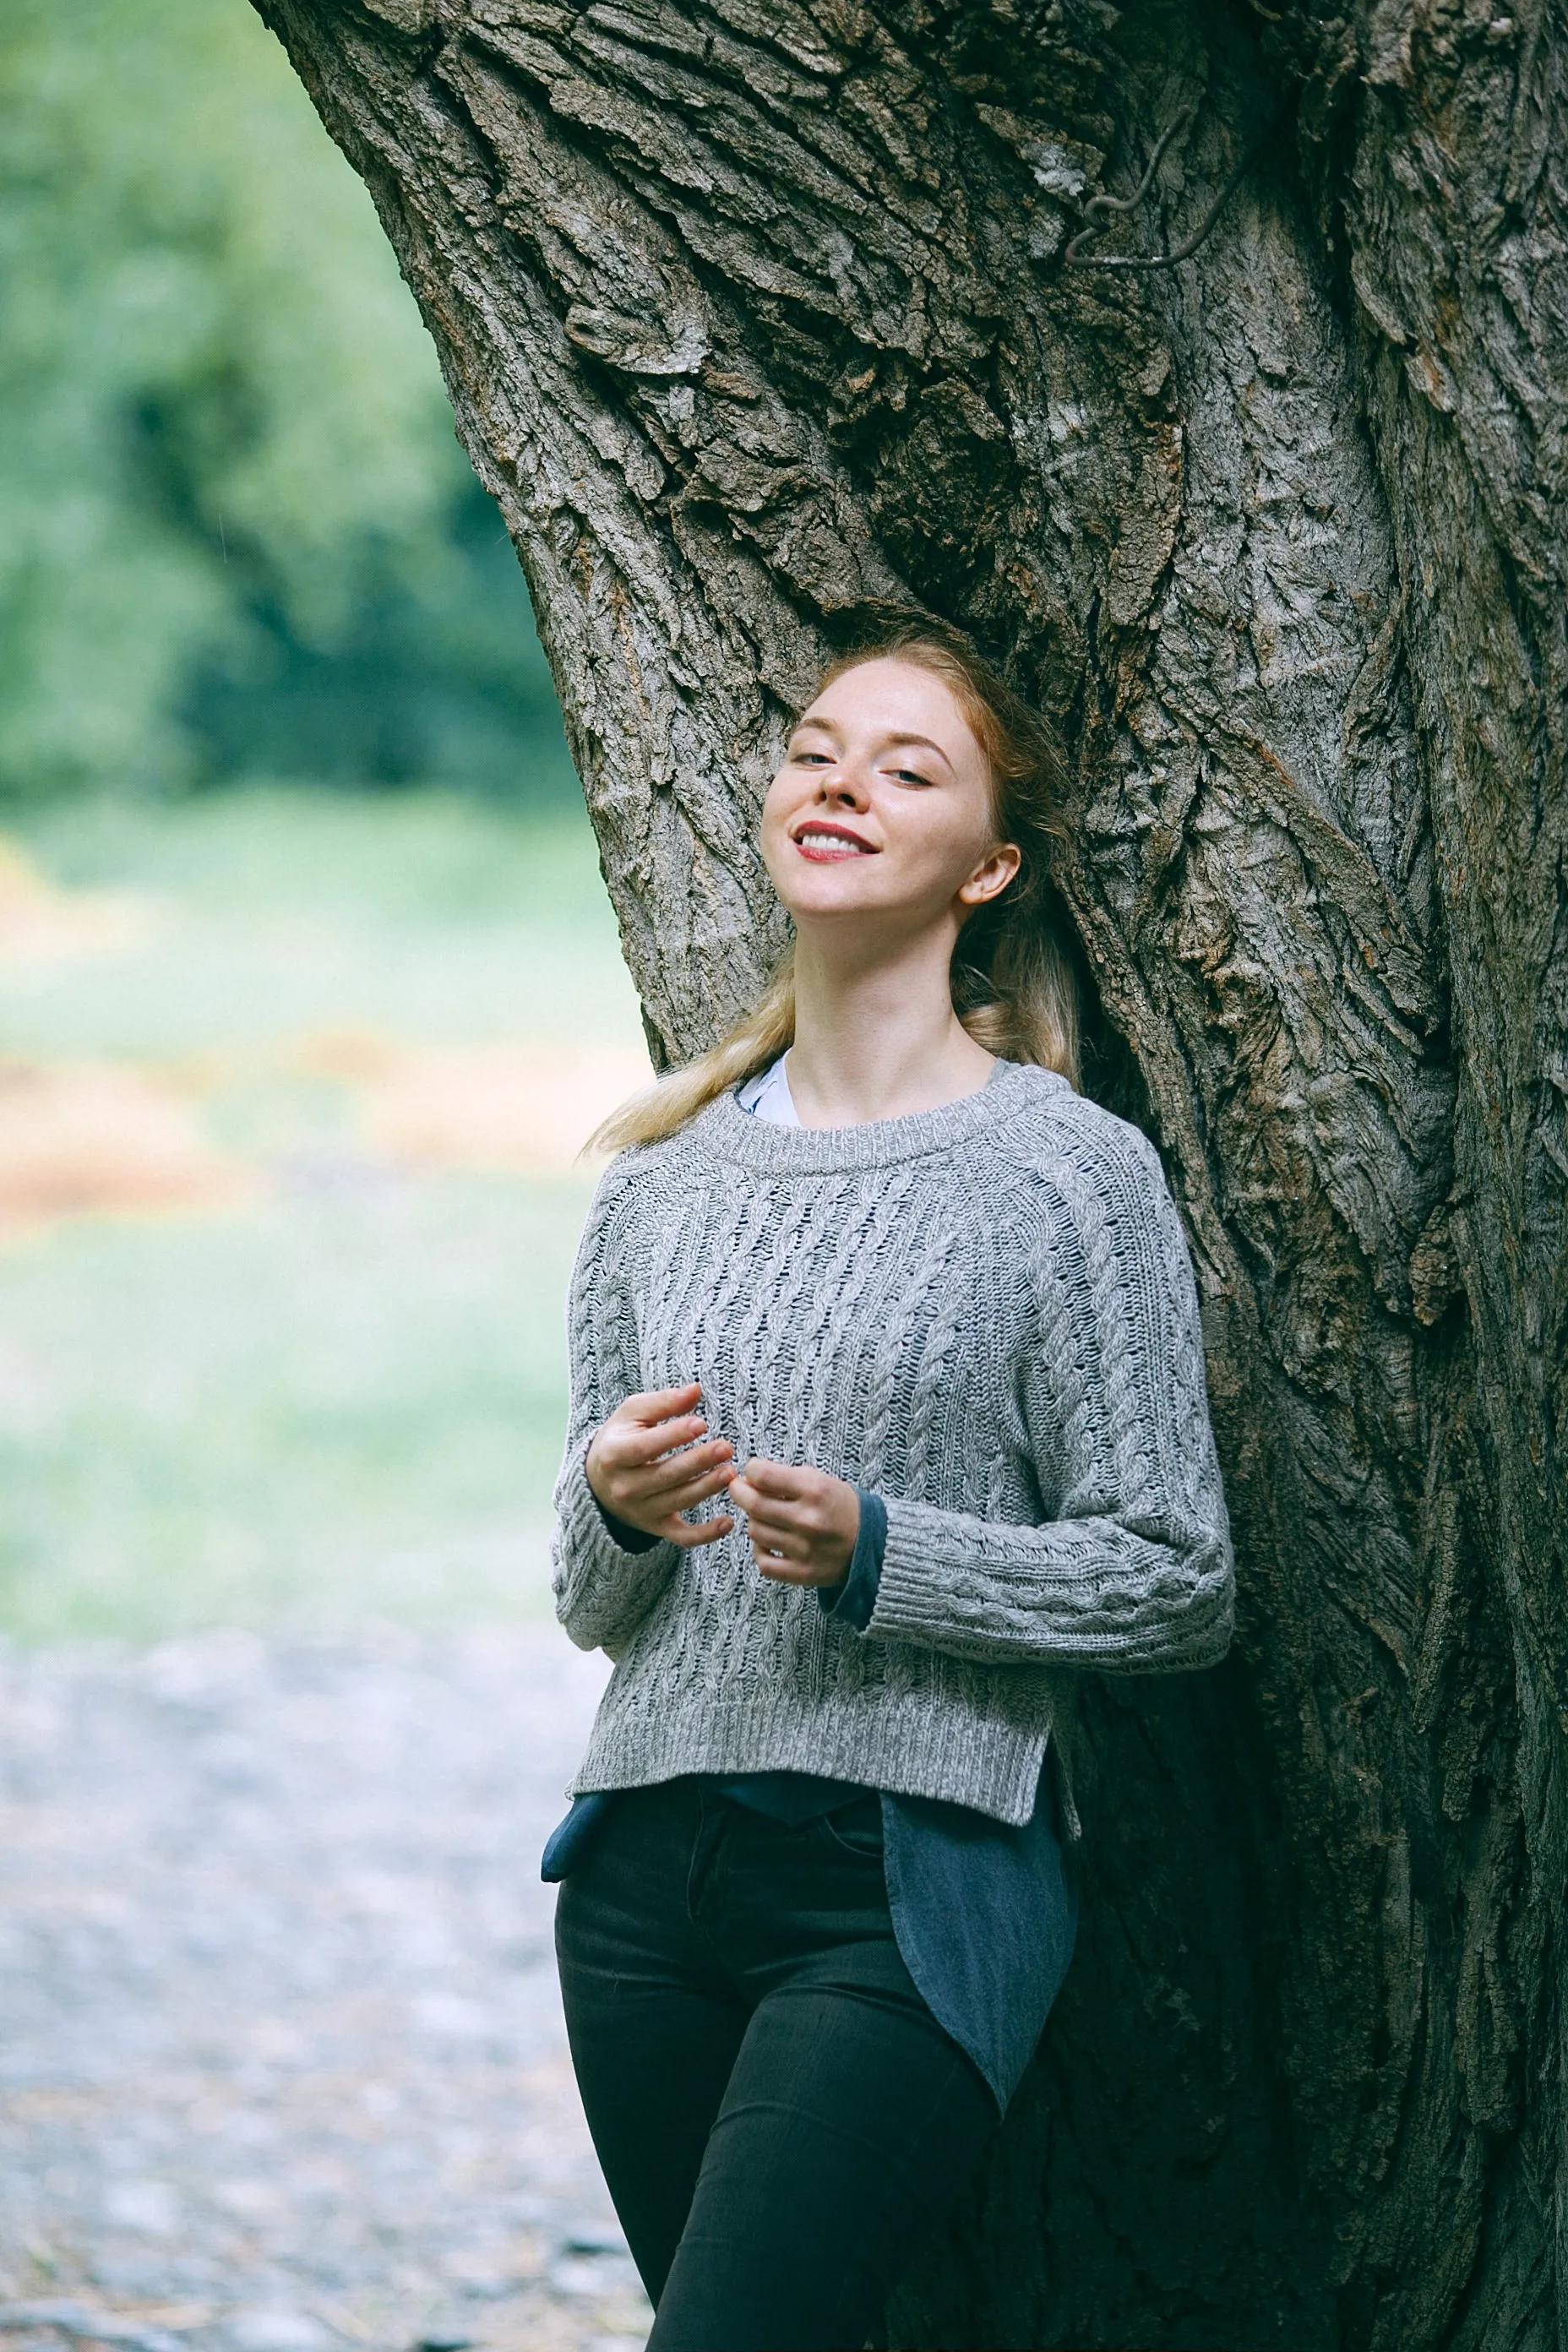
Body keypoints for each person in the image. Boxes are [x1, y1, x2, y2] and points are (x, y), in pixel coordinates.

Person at [542, 612, 1237, 2351]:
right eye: (815, 751)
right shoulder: (658, 1180)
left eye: (905, 768)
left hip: (906, 1874)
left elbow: (1174, 1577)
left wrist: (883, 1553)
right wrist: (615, 1507)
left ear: (986, 865)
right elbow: (585, 1602)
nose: (840, 782)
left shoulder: (1063, 1176)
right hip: (639, 1876)